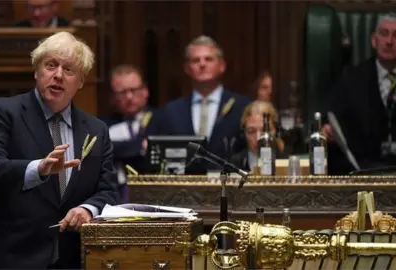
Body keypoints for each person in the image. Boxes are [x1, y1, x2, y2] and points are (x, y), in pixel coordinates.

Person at [0, 31, 119, 269]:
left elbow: (109, 190)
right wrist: (37, 168)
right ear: (36, 71)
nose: (58, 75)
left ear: (81, 81)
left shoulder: (96, 129)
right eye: (51, 65)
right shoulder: (1, 111)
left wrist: (87, 209)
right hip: (11, 258)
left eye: (69, 69)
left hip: (74, 259)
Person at [322, 13, 396, 174]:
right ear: (374, 40)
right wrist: (328, 130)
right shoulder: (351, 78)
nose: (389, 41)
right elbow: (332, 117)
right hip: (365, 170)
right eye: (383, 34)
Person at [153, 35, 252, 168]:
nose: (202, 64)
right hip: (184, 185)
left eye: (208, 59)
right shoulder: (171, 112)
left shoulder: (243, 106)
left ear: (222, 66)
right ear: (187, 69)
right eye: (195, 60)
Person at [100, 64, 155, 202]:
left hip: (153, 195)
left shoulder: (161, 120)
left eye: (134, 90)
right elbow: (101, 151)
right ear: (113, 96)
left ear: (145, 90)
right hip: (116, 197)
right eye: (122, 92)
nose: (129, 97)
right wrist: (140, 147)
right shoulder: (102, 125)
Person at [231, 101, 286, 172]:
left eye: (264, 131)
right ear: (243, 133)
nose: (258, 138)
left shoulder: (287, 161)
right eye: (251, 131)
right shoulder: (233, 164)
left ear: (276, 131)